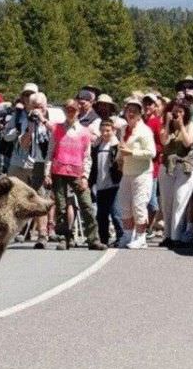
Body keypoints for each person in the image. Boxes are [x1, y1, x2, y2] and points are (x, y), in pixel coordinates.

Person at [44, 99, 108, 251]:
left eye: (73, 109)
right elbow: (50, 152)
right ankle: (64, 237)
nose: (70, 112)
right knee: (61, 206)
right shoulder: (57, 129)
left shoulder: (84, 131)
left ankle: (93, 238)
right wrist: (47, 173)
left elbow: (87, 156)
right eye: (68, 109)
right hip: (59, 171)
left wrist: (85, 176)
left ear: (78, 111)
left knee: (86, 204)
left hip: (77, 171)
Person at [6, 91, 52, 249]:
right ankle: (11, 232)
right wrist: (31, 128)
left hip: (40, 163)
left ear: (45, 106)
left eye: (40, 107)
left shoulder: (52, 118)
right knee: (12, 196)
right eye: (34, 107)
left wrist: (43, 120)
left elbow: (57, 136)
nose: (37, 110)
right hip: (19, 162)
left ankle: (42, 234)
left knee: (40, 198)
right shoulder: (22, 119)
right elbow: (24, 144)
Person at [117, 98, 157, 249]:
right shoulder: (124, 129)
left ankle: (141, 237)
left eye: (134, 111)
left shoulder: (144, 131)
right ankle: (128, 235)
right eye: (129, 110)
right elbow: (122, 149)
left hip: (142, 173)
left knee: (139, 205)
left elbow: (151, 152)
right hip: (127, 172)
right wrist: (119, 159)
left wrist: (132, 152)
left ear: (140, 114)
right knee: (125, 204)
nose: (131, 113)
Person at [159, 102, 193, 246]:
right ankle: (167, 236)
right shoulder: (167, 126)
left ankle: (176, 236)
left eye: (180, 112)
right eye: (174, 112)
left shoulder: (190, 126)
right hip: (167, 167)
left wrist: (181, 126)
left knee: (180, 200)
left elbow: (188, 143)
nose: (177, 115)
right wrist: (168, 123)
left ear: (185, 113)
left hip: (184, 168)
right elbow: (164, 141)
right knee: (167, 203)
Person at [175, 76, 193, 243]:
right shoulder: (178, 105)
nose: (187, 90)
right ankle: (177, 226)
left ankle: (190, 228)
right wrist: (176, 103)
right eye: (184, 87)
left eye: (191, 87)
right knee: (178, 190)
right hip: (180, 149)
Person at [89, 119, 123, 246]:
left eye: (108, 130)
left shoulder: (116, 145)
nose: (105, 133)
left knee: (116, 213)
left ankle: (121, 237)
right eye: (102, 130)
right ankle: (103, 239)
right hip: (100, 185)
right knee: (101, 214)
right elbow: (93, 166)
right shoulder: (97, 146)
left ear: (113, 131)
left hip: (114, 184)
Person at [142, 93, 163, 240]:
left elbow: (161, 144)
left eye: (150, 104)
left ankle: (149, 226)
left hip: (153, 165)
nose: (148, 106)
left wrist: (151, 150)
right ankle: (144, 228)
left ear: (155, 106)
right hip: (140, 164)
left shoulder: (156, 122)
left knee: (151, 201)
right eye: (146, 104)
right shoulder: (141, 121)